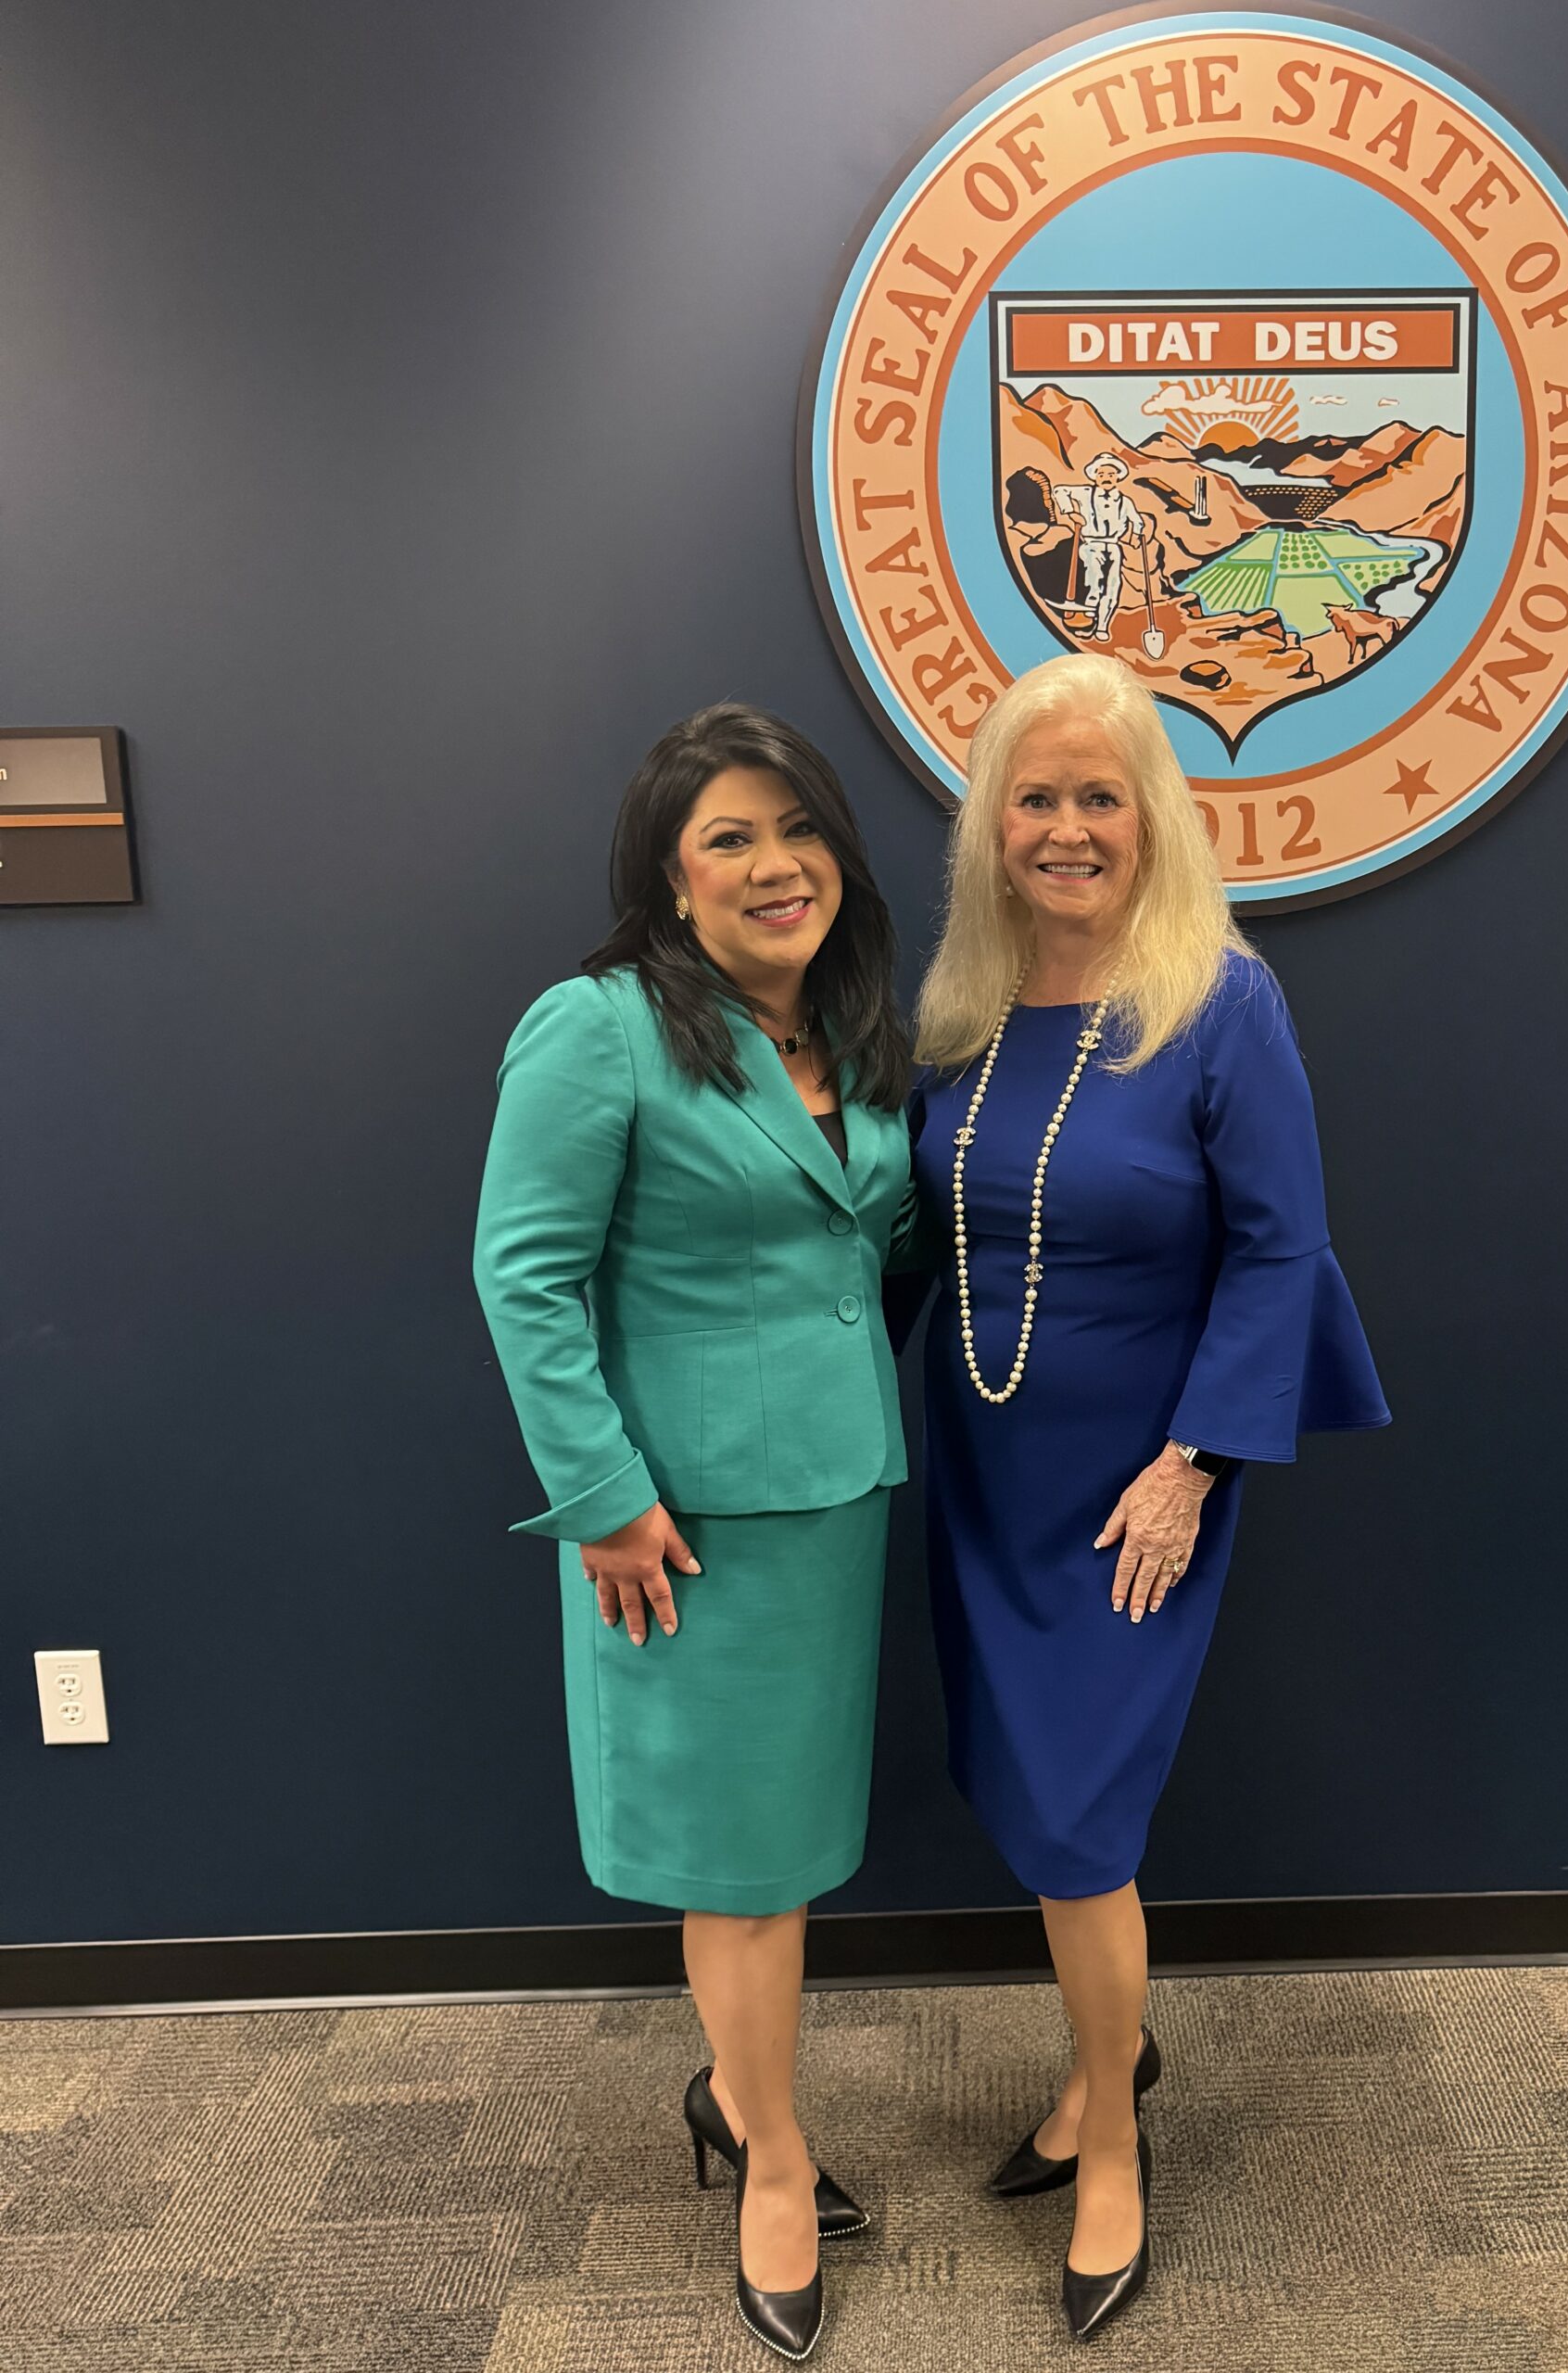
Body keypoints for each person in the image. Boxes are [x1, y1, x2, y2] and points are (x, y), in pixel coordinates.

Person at [907, 653, 1389, 2339]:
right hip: (981, 1462)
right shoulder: (964, 999)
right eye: (1032, 798)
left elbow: (1279, 1251)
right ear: (993, 823)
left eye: (1095, 797)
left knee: (1079, 1821)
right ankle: (1106, 2053)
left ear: (1149, 816)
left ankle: (1111, 2136)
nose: (1063, 828)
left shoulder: (1215, 997)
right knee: (1023, 1802)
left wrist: (1193, 1467)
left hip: (1134, 1484)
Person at [473, 703, 913, 2365]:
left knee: (784, 1851)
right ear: (667, 880)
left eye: (795, 832)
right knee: (739, 1870)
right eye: (727, 838)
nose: (772, 864)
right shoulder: (595, 1031)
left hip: (833, 1500)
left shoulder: (853, 1033)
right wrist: (600, 1499)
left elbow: (864, 1247)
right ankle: (773, 2156)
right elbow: (521, 1276)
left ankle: (735, 2096)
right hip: (681, 1525)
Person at [1054, 452, 1148, 642]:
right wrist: (1072, 513)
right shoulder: (1085, 493)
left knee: (1112, 588)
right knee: (1094, 584)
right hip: (1091, 544)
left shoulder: (1124, 501)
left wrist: (1137, 533)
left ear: (1117, 477)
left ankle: (1103, 626)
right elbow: (1059, 491)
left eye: (1111, 474)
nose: (1107, 478)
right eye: (1102, 474)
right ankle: (1088, 614)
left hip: (1113, 546)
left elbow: (1137, 520)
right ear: (1095, 476)